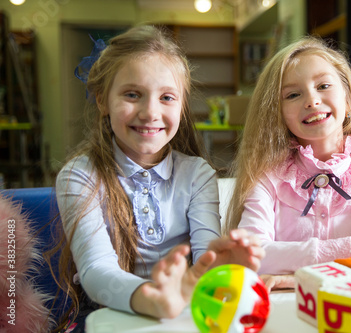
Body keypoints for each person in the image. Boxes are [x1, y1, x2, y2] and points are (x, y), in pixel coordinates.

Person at [52, 25, 263, 332]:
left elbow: (205, 259)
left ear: (182, 105)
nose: (150, 112)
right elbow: (96, 270)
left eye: (166, 97)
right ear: (102, 100)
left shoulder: (198, 175)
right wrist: (152, 298)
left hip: (183, 312)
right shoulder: (79, 175)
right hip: (107, 315)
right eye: (132, 94)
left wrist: (226, 267)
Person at [225, 36, 351, 290]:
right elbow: (251, 256)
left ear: (349, 101)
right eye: (293, 94)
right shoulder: (268, 180)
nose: (311, 100)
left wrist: (300, 277)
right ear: (278, 115)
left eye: (323, 85)